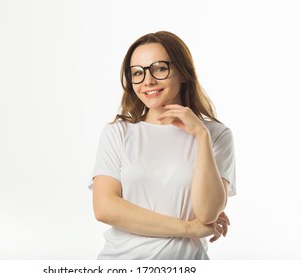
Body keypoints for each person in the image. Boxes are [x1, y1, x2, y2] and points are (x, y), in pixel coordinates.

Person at [89, 31, 236, 260]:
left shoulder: (216, 135)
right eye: (137, 73)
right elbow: (105, 209)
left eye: (159, 68)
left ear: (183, 72)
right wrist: (189, 228)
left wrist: (201, 135)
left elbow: (207, 213)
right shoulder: (118, 133)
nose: (147, 81)